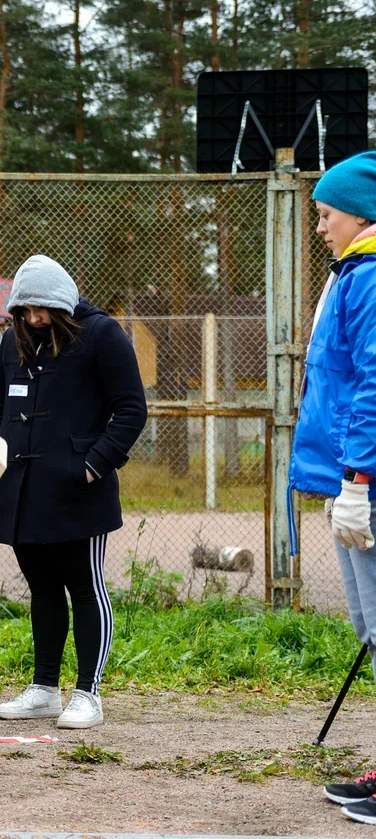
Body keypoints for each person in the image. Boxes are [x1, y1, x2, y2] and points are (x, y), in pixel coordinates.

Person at [0, 255, 146, 730]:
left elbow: (131, 409)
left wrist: (94, 466)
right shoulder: (11, 343)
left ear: (62, 303)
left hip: (79, 493)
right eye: (25, 310)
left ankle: (88, 693)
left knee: (85, 587)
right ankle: (44, 689)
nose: (34, 319)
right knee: (42, 590)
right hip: (20, 490)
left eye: (42, 310)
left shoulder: (102, 334)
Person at [290, 153, 376, 826]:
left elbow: (374, 384)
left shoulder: (372, 277)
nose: (319, 227)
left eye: (326, 214)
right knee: (368, 628)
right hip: (349, 478)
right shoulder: (352, 275)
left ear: (362, 214)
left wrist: (358, 479)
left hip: (366, 482)